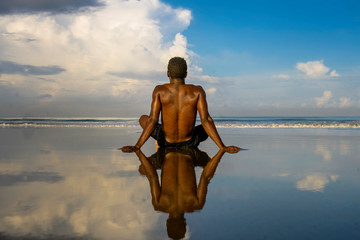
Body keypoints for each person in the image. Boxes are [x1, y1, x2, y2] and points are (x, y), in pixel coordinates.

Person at [121, 57, 240, 153]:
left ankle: (160, 141)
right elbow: (206, 120)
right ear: (186, 74)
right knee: (207, 124)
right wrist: (222, 147)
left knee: (143, 118)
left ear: (168, 74)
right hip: (191, 142)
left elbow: (152, 120)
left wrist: (137, 146)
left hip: (165, 141)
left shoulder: (159, 90)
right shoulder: (197, 91)